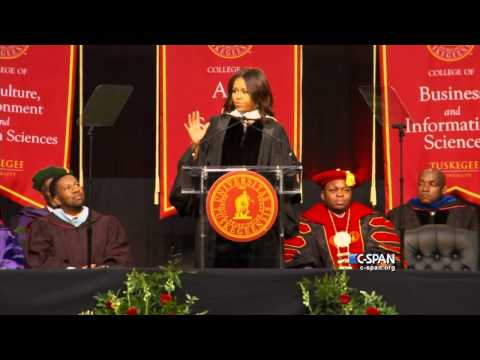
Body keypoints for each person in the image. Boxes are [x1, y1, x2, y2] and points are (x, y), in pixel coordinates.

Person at [170, 68, 300, 268]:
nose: (237, 96)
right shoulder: (219, 125)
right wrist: (196, 146)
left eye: (244, 91)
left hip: (260, 222)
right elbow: (199, 171)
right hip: (218, 221)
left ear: (259, 94)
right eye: (234, 91)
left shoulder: (273, 130)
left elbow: (287, 177)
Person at [284, 169, 401, 269]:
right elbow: (301, 259)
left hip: (367, 282)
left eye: (346, 190)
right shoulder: (308, 221)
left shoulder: (371, 218)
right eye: (333, 190)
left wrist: (377, 263)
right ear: (323, 195)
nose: (340, 194)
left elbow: (385, 253)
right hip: (323, 285)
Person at [27, 173, 133, 269]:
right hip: (63, 287)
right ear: (56, 200)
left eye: (77, 184)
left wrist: (101, 269)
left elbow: (121, 256)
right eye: (68, 188)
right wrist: (74, 272)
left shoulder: (107, 223)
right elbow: (40, 260)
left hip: (102, 285)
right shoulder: (43, 226)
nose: (76, 190)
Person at [387, 167, 479, 230]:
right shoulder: (400, 214)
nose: (425, 189)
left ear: (444, 189)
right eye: (421, 184)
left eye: (432, 184)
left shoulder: (465, 214)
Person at [11, 166, 68, 249]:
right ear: (42, 195)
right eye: (50, 190)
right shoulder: (27, 219)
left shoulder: (84, 218)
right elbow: (20, 240)